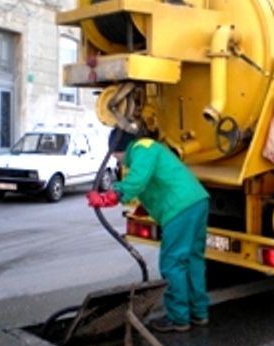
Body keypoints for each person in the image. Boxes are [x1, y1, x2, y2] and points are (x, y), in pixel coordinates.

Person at [86, 128, 210, 333]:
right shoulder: (148, 149)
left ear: (120, 148)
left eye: (115, 153)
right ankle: (199, 313)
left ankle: (179, 318)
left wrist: (110, 196)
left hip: (179, 208)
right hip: (196, 202)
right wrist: (147, 206)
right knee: (193, 260)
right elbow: (155, 181)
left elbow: (137, 180)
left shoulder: (142, 149)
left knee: (173, 263)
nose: (116, 159)